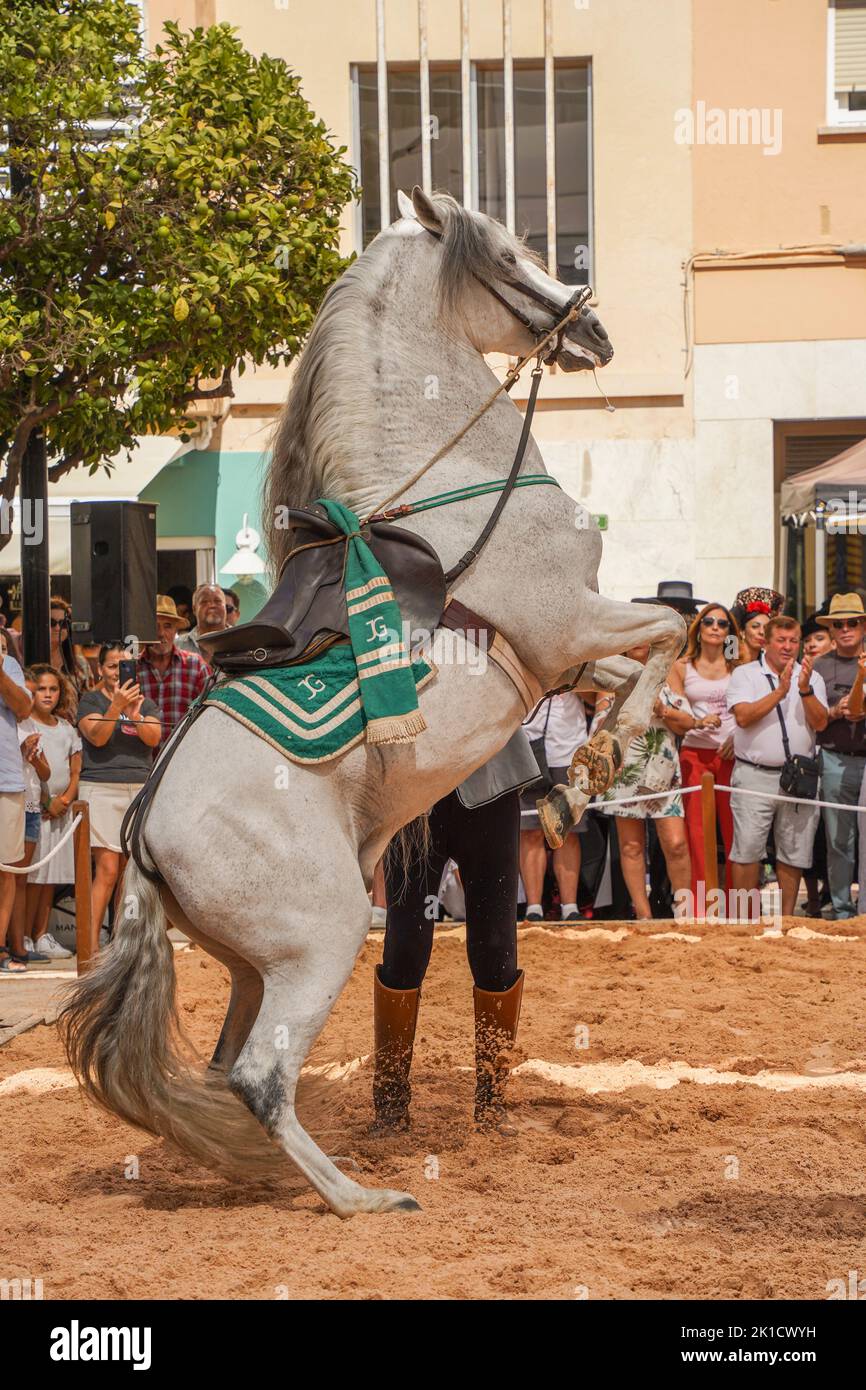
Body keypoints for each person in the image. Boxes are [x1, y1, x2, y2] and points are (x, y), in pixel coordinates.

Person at [373, 725, 541, 1136]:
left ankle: (492, 1099)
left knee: (496, 947)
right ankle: (391, 1102)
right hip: (414, 787)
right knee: (405, 948)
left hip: (490, 779)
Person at [726, 616, 828, 920]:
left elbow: (820, 722)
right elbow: (743, 717)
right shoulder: (745, 674)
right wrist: (780, 692)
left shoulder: (812, 677)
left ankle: (784, 920)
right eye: (781, 640)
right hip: (754, 774)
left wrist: (804, 690)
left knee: (793, 853)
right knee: (746, 851)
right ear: (765, 642)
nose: (788, 647)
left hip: (799, 776)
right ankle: (743, 920)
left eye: (793, 641)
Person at [597, 645, 692, 919]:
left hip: (663, 770)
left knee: (676, 843)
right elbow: (600, 726)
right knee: (631, 846)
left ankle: (685, 913)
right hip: (625, 767)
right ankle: (644, 916)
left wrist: (663, 710)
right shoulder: (610, 668)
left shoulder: (667, 667)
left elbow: (687, 721)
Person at [77, 644, 162, 943]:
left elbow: (154, 738)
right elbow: (96, 738)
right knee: (107, 869)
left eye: (124, 666)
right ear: (101, 669)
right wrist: (115, 707)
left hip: (137, 788)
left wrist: (134, 714)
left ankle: (119, 946)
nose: (117, 672)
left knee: (128, 875)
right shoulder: (90, 701)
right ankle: (87, 949)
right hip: (101, 787)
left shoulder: (145, 703)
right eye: (112, 666)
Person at [667, 604, 739, 909]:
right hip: (695, 751)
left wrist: (739, 737)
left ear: (729, 633)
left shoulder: (739, 663)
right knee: (696, 831)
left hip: (732, 754)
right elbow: (676, 712)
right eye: (708, 621)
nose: (715, 627)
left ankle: (737, 903)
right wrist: (697, 721)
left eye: (723, 624)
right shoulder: (682, 665)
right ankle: (700, 905)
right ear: (698, 627)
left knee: (735, 830)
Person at [811, 593, 866, 920]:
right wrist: (836, 711)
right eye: (839, 624)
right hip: (834, 756)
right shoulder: (820, 665)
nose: (845, 629)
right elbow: (813, 716)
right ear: (831, 629)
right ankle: (843, 909)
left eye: (852, 622)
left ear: (863, 625)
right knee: (838, 839)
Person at [24, 665, 82, 956]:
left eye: (53, 689)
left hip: (61, 811)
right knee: (32, 877)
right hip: (39, 809)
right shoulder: (25, 725)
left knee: (49, 879)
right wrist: (48, 803)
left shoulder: (66, 728)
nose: (48, 694)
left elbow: (75, 770)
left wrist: (65, 801)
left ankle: (41, 934)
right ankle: (21, 934)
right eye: (42, 689)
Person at [519, 691, 590, 921]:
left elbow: (594, 698)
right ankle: (533, 908)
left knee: (567, 832)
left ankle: (570, 907)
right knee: (530, 832)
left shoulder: (580, 657)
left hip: (570, 748)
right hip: (527, 744)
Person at [7, 668, 56, 965]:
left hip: (32, 805)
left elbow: (46, 772)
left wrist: (35, 757)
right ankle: (10, 946)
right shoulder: (7, 722)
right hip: (12, 802)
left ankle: (20, 943)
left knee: (20, 880)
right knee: (8, 879)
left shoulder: (29, 722)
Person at [0, 633, 33, 973]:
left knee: (6, 868)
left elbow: (23, 708)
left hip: (5, 778)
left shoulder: (9, 666)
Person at [136, 596, 211, 747]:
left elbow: (209, 713)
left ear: (176, 629)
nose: (161, 633)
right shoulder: (132, 667)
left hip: (184, 756)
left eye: (168, 626)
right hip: (142, 760)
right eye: (154, 626)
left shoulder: (195, 665)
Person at [49, 596, 91, 697]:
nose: (58, 628)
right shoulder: (27, 659)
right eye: (52, 623)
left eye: (63, 624)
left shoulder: (80, 664)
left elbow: (86, 699)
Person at [731, 587, 784, 665]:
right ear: (742, 631)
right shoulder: (730, 660)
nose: (762, 632)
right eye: (755, 626)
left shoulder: (767, 666)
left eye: (766, 628)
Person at [176, 584, 227, 659]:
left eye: (218, 601)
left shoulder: (240, 642)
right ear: (194, 609)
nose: (212, 605)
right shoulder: (178, 646)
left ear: (225, 606)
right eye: (204, 602)